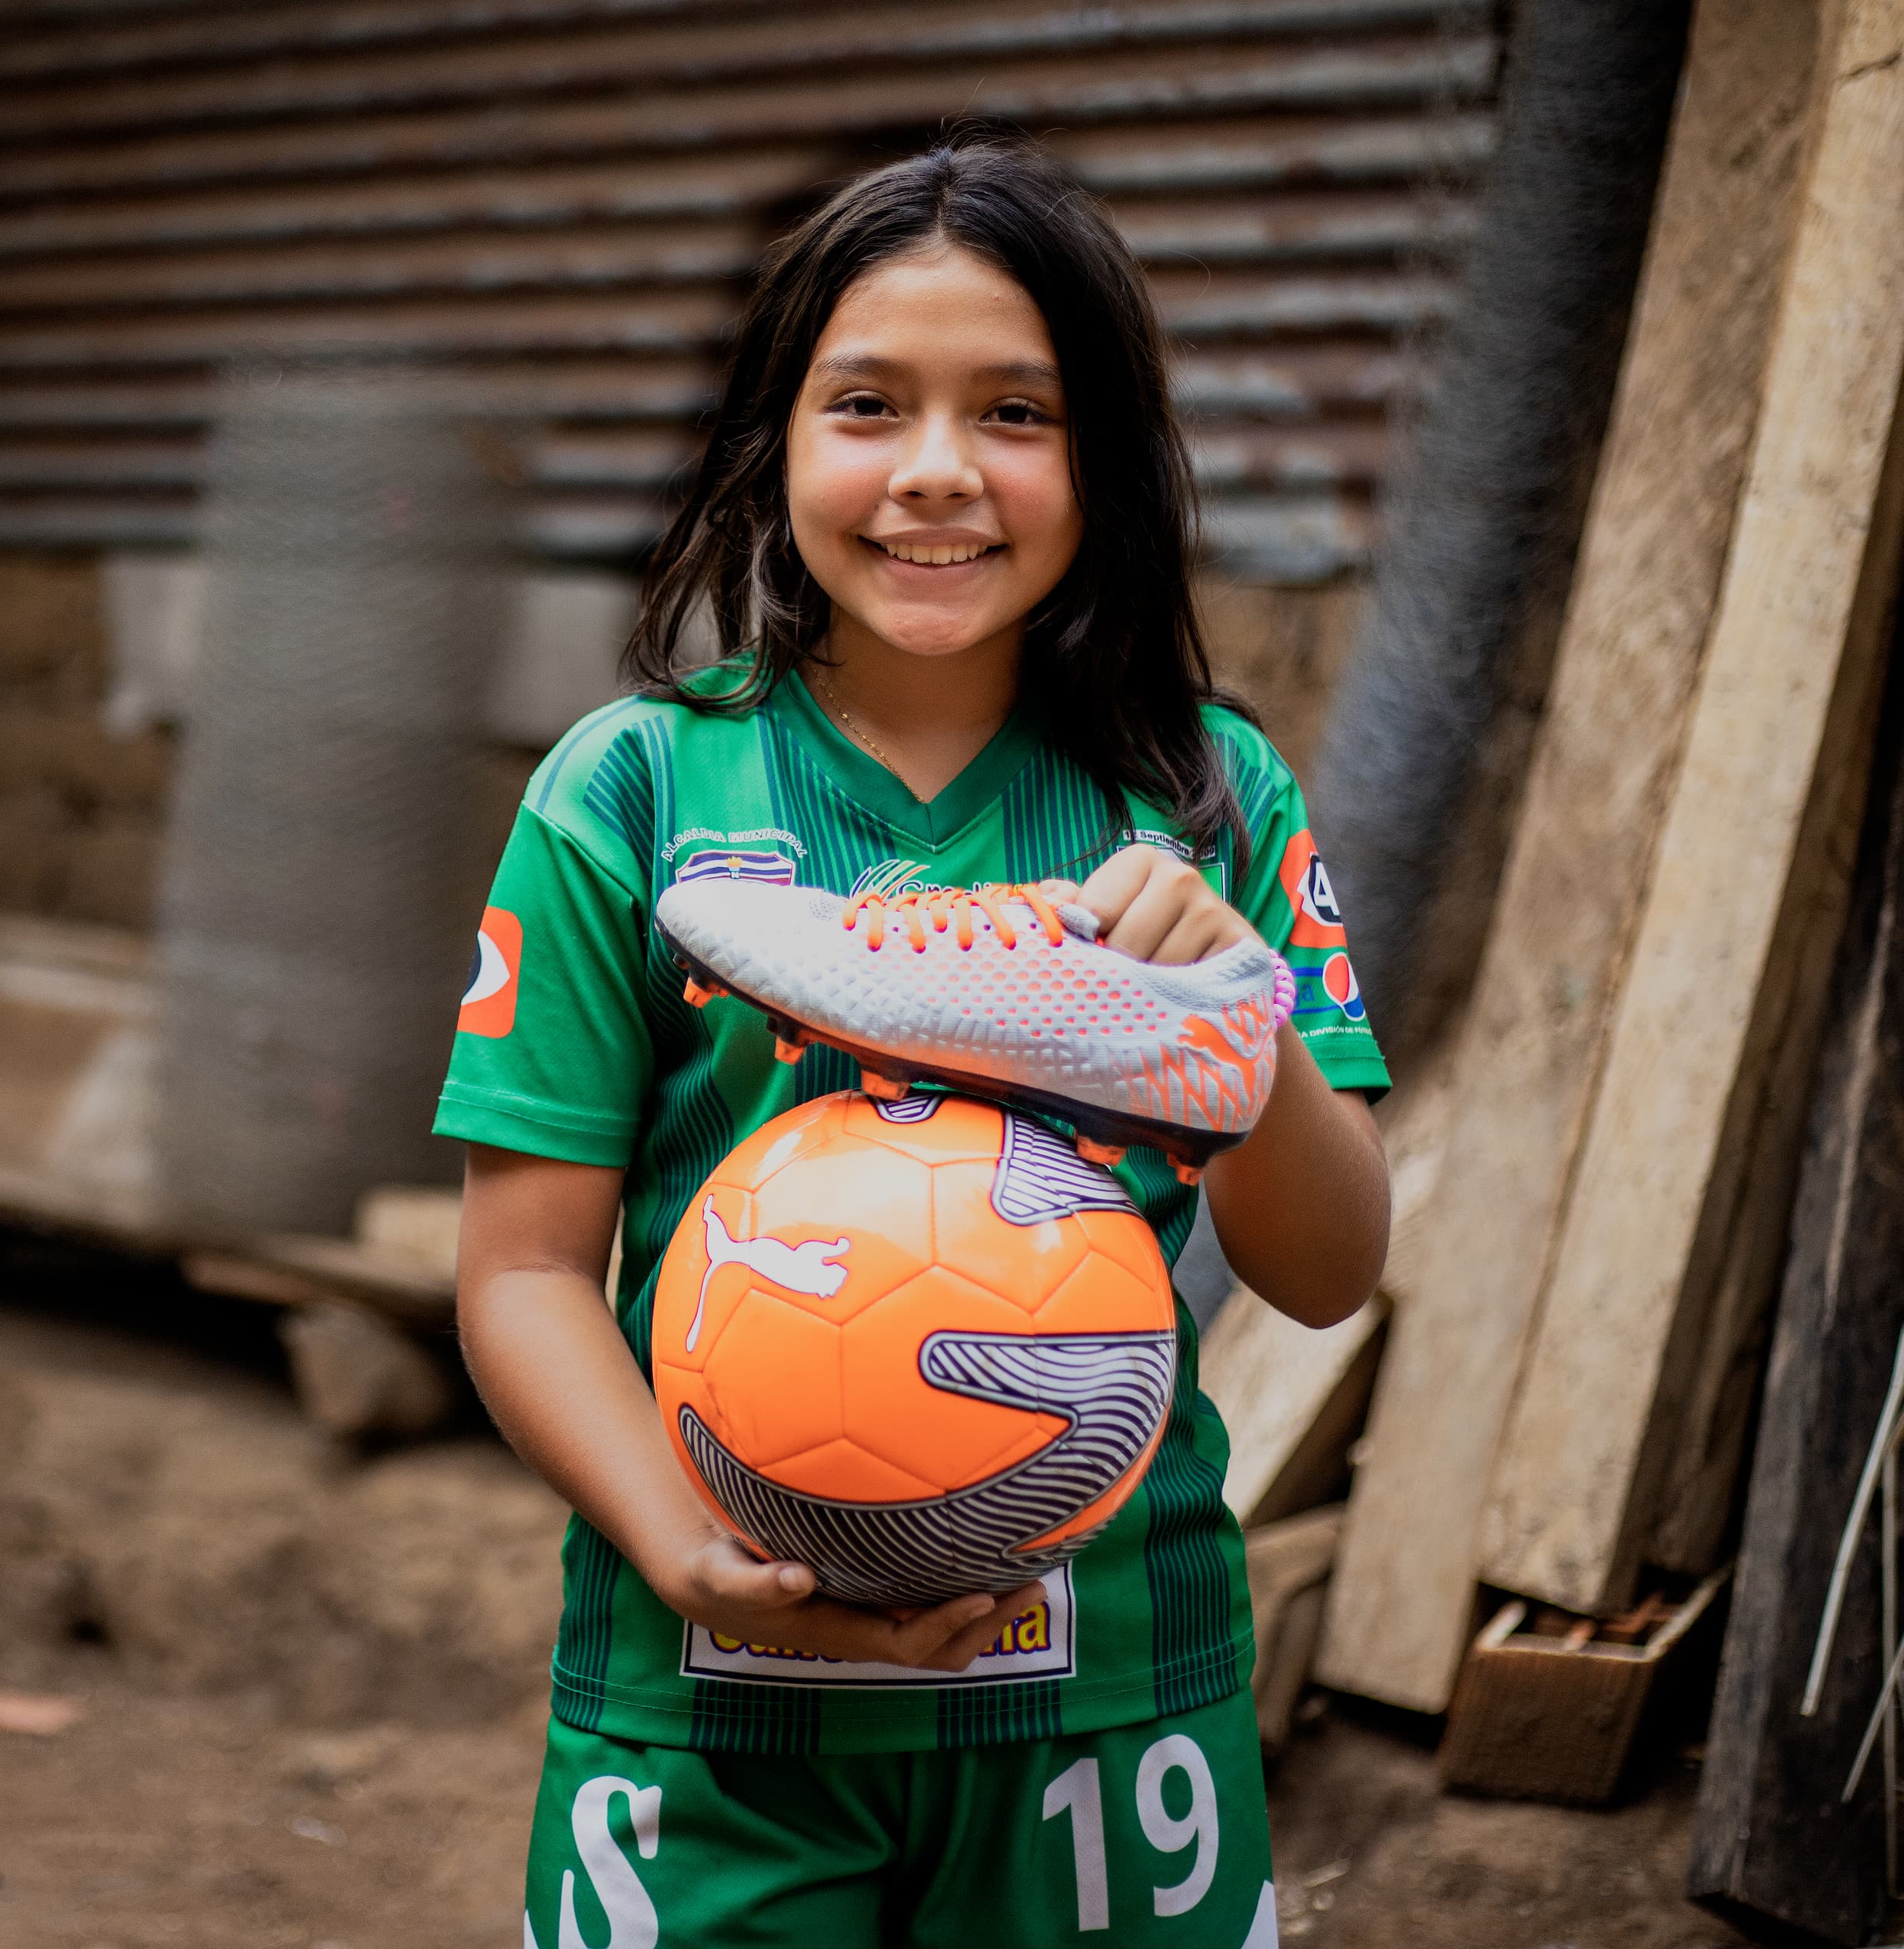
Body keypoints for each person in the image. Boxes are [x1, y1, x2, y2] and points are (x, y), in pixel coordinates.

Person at [439, 135, 1394, 1947]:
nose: (938, 472)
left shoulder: (1205, 800)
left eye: (1017, 412)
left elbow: (1331, 1270)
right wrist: (686, 1545)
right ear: (773, 442)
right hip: (709, 1710)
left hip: (1113, 1705)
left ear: (1102, 459)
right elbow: (524, 1273)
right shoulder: (627, 795)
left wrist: (1228, 1029)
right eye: (867, 402)